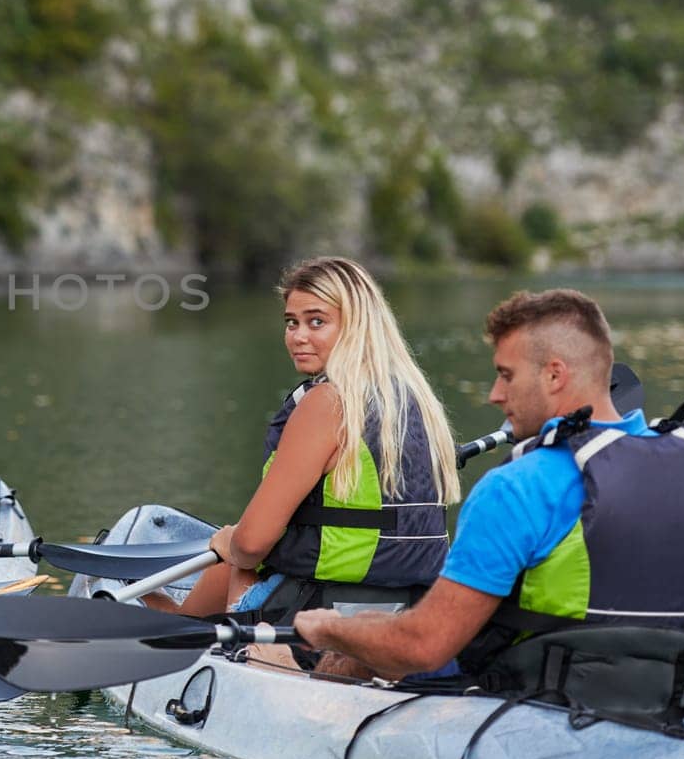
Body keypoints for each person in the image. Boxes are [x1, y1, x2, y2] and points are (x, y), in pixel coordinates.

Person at [295, 288, 684, 688]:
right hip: (673, 705)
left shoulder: (516, 487)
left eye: (506, 375)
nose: (494, 394)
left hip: (530, 712)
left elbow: (423, 646)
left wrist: (335, 630)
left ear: (554, 375)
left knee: (357, 652)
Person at [150, 257, 459, 637]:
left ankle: (170, 633)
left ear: (357, 326)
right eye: (291, 322)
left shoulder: (328, 403)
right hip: (411, 611)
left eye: (317, 322)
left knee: (239, 554)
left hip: (315, 613)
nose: (298, 336)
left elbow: (251, 544)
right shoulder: (414, 402)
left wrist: (231, 541)